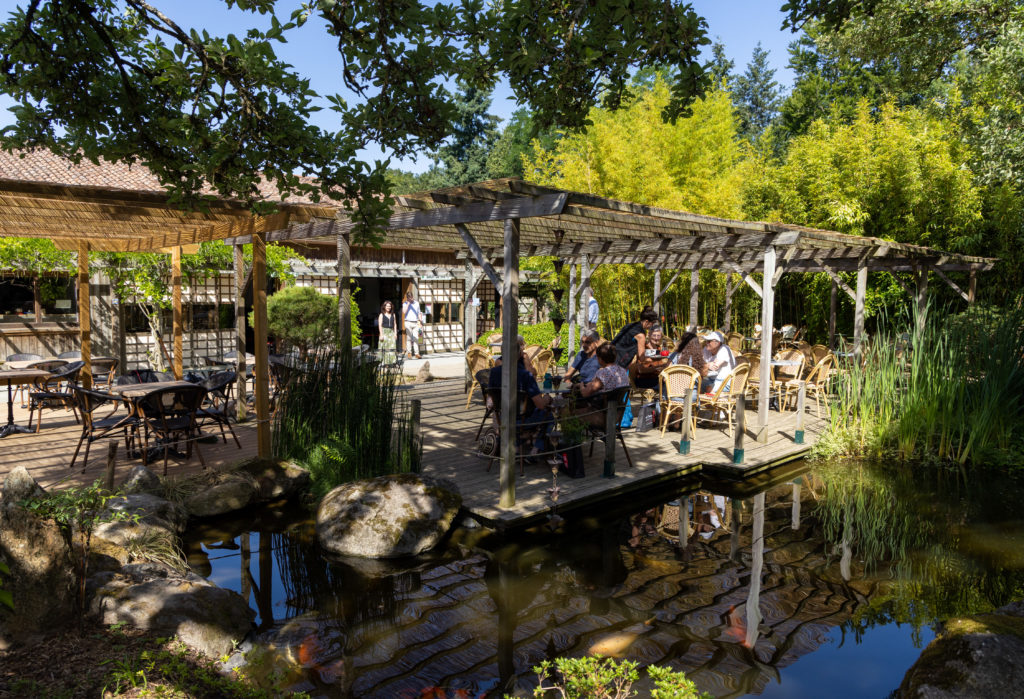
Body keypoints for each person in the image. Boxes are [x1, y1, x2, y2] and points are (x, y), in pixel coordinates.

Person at [488, 334, 554, 459]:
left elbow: (491, 398)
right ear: (519, 354)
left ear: (502, 352)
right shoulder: (525, 376)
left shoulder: (494, 372)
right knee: (549, 416)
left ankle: (517, 447)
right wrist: (546, 399)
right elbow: (540, 405)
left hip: (502, 419)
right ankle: (535, 450)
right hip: (520, 421)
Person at [635, 324, 670, 390]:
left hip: (657, 379)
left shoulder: (659, 349)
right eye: (654, 335)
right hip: (645, 380)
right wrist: (656, 368)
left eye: (658, 335)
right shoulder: (643, 348)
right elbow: (641, 370)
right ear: (649, 335)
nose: (656, 338)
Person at [402, 290, 422, 359]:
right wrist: (408, 303)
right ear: (407, 298)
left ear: (413, 297)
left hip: (415, 322)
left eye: (411, 297)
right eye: (409, 297)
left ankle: (417, 353)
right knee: (409, 338)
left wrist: (420, 320)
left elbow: (419, 312)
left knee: (416, 338)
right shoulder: (405, 303)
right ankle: (409, 353)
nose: (410, 299)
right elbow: (404, 312)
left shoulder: (417, 303)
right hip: (408, 322)